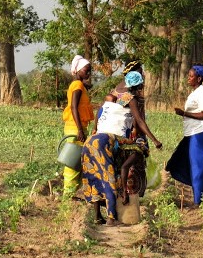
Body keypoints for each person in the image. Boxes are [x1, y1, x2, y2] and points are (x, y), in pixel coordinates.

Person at [82, 71, 152, 226]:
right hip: (104, 142)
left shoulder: (111, 102)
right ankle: (111, 218)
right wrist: (154, 140)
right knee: (109, 179)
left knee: (94, 178)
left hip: (90, 141)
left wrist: (94, 129)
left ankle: (97, 217)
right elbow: (139, 122)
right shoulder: (130, 101)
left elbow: (98, 116)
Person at [166, 65, 203, 205]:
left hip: (201, 134)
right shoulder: (195, 92)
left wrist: (184, 113)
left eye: (191, 76)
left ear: (199, 78)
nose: (188, 78)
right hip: (193, 134)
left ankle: (199, 202)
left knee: (199, 167)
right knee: (186, 164)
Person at [110, 61, 163, 149]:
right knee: (138, 154)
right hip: (130, 132)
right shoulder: (129, 95)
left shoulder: (118, 90)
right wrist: (154, 140)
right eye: (140, 73)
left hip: (117, 129)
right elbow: (138, 118)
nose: (142, 75)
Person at [62, 55, 94, 196]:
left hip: (77, 126)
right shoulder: (77, 85)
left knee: (77, 161)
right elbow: (74, 107)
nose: (88, 73)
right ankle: (68, 193)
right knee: (73, 161)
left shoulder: (79, 85)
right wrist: (80, 130)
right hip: (76, 128)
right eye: (86, 70)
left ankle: (71, 192)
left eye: (89, 70)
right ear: (78, 70)